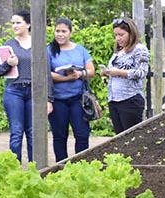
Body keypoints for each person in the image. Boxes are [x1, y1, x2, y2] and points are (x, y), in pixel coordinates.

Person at [47, 17, 94, 162]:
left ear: (70, 33)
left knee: (82, 134)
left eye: (64, 31)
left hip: (78, 99)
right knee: (59, 135)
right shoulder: (49, 50)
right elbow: (46, 74)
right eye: (57, 31)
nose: (60, 34)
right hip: (58, 100)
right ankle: (61, 167)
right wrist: (67, 78)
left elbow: (91, 71)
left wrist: (79, 74)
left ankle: (81, 165)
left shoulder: (80, 50)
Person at [0, 10, 34, 164]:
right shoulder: (8, 45)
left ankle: (34, 169)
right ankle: (14, 169)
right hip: (14, 91)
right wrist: (7, 64)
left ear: (28, 24)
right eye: (13, 23)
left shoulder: (38, 44)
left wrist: (48, 98)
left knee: (32, 133)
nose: (15, 26)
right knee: (16, 132)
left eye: (18, 22)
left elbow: (45, 70)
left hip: (33, 91)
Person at [100, 17, 150, 134]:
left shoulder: (139, 49)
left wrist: (119, 72)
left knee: (130, 138)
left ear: (131, 33)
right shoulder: (119, 51)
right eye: (116, 35)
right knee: (119, 137)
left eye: (121, 35)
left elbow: (141, 72)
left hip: (130, 99)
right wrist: (107, 73)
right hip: (114, 99)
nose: (118, 38)